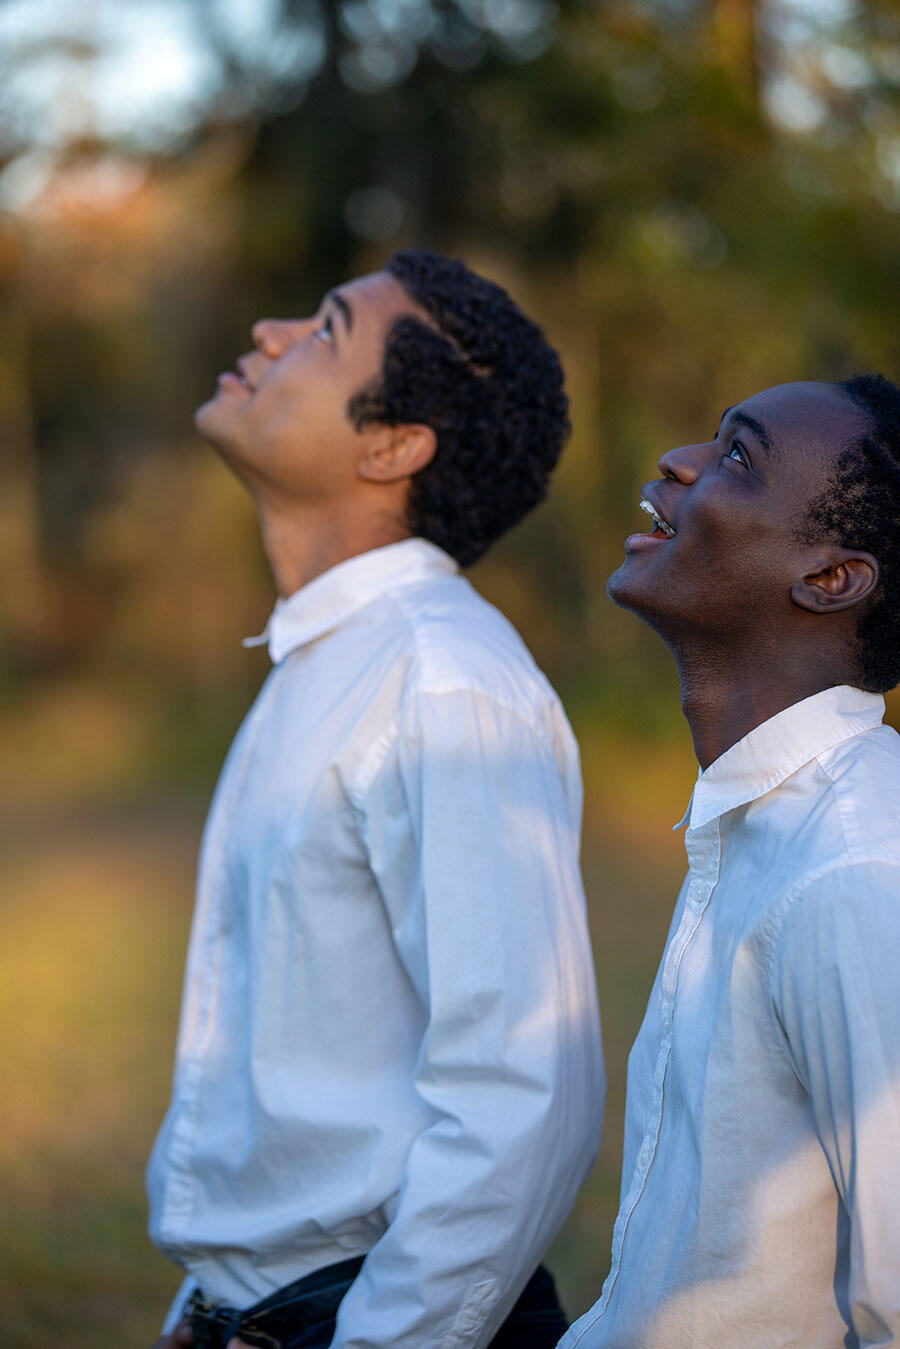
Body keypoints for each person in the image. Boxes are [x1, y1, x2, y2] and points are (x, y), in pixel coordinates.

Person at [146, 249, 605, 1349]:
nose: (267, 330)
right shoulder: (323, 659)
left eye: (322, 330)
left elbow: (525, 1094)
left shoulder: (442, 680)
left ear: (393, 443)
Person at [561, 374, 900, 1349]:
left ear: (831, 577)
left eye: (737, 456)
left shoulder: (854, 871)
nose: (680, 463)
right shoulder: (759, 822)